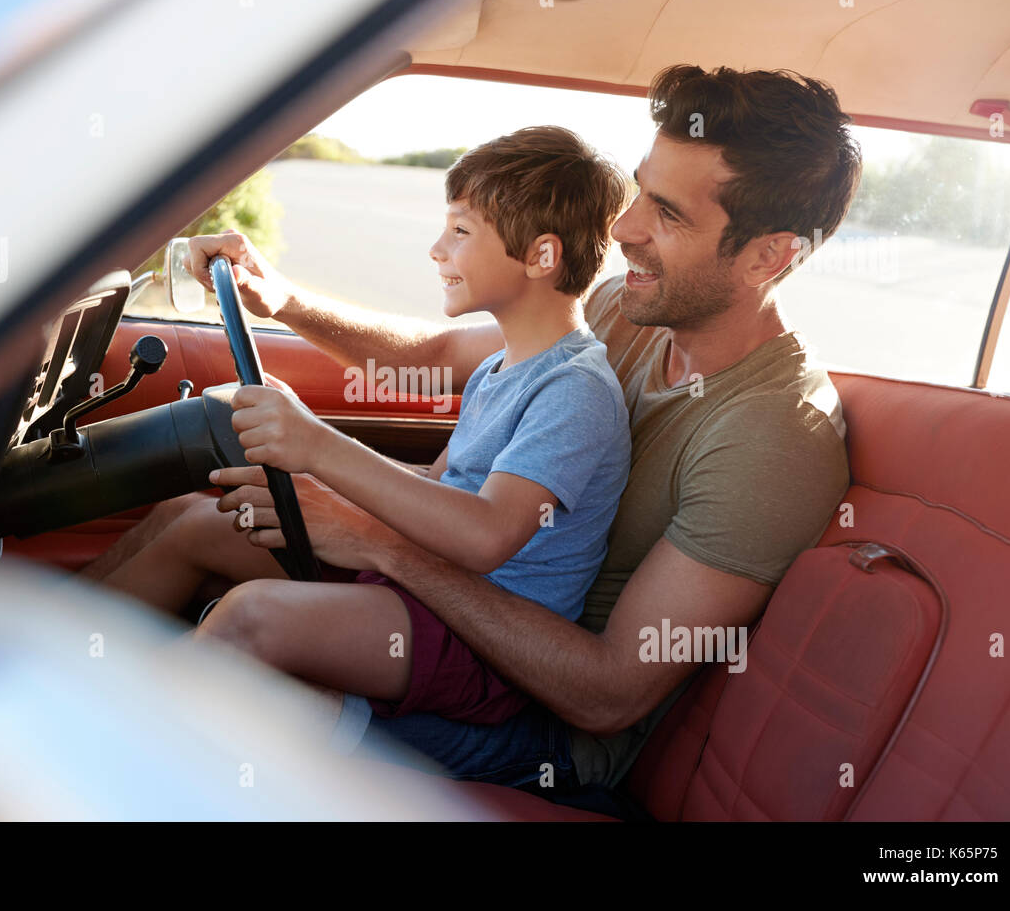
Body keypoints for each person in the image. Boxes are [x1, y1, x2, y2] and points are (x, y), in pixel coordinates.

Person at [88, 64, 860, 798]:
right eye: (639, 194)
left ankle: (83, 771)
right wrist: (279, 298)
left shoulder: (773, 440)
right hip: (453, 607)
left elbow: (605, 695)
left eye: (668, 212)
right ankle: (18, 686)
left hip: (533, 729)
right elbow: (433, 355)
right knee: (189, 519)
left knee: (251, 626)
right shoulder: (623, 312)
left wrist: (372, 535)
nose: (624, 228)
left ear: (769, 257)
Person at [103, 125, 632, 726]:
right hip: (424, 588)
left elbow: (485, 536)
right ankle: (48, 669)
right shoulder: (500, 366)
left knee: (249, 617)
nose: (437, 249)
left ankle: (105, 747)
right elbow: (439, 489)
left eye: (461, 231)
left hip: (477, 635)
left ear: (542, 256)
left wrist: (318, 445)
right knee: (192, 518)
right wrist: (317, 470)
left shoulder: (574, 389)